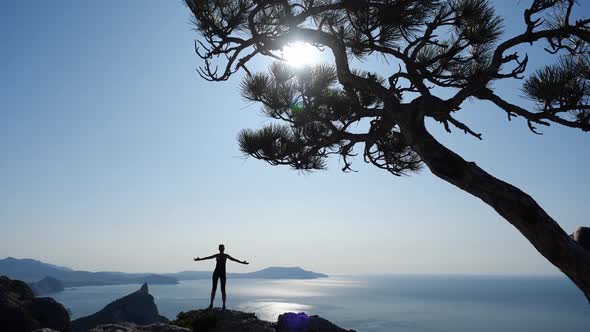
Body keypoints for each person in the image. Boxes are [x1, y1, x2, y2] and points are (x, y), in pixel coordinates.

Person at [193, 244, 249, 310]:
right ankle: (212, 304)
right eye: (221, 248)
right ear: (219, 249)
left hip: (222, 274)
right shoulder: (218, 255)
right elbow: (208, 257)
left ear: (223, 249)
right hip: (217, 273)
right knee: (214, 289)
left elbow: (234, 259)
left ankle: (223, 305)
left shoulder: (225, 256)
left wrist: (242, 262)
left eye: (222, 248)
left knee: (222, 289)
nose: (222, 249)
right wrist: (199, 259)